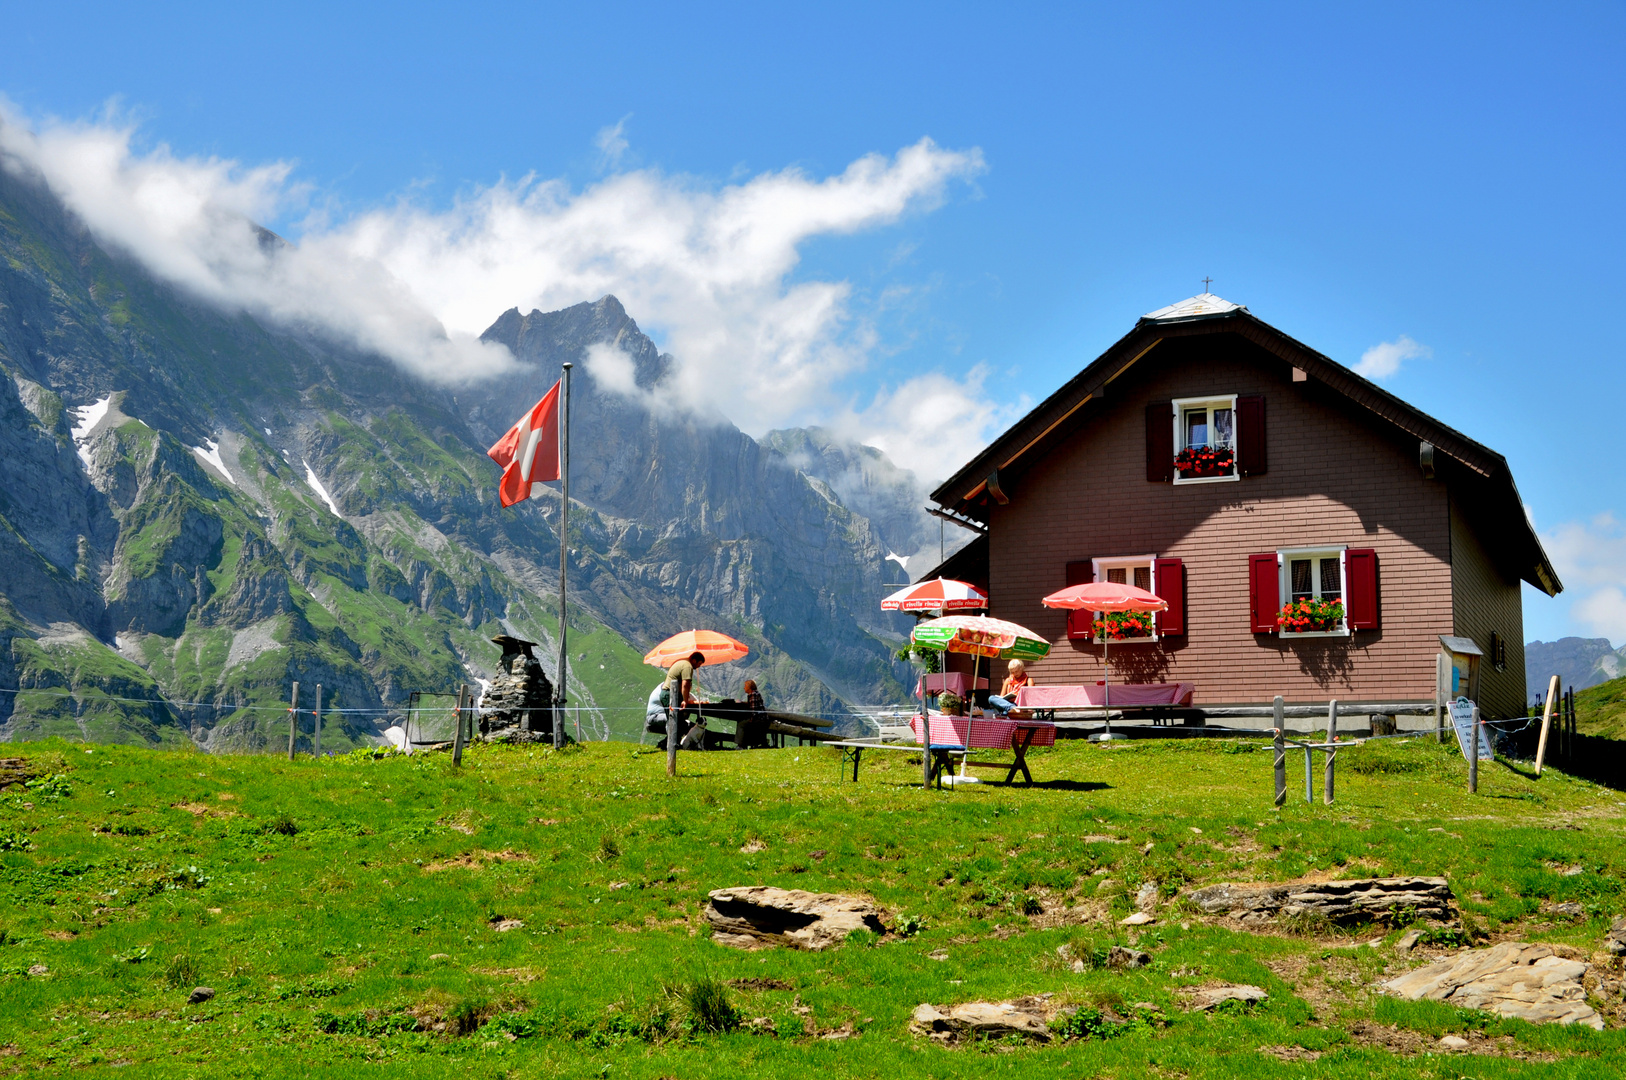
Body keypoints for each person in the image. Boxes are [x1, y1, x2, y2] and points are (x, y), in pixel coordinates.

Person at [661, 651, 706, 750]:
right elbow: (685, 684)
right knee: (675, 720)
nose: (698, 666)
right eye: (698, 664)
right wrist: (685, 700)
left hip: (668, 693)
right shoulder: (688, 666)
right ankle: (670, 744)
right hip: (671, 694)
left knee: (676, 720)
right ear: (694, 660)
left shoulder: (682, 662)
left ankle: (671, 743)